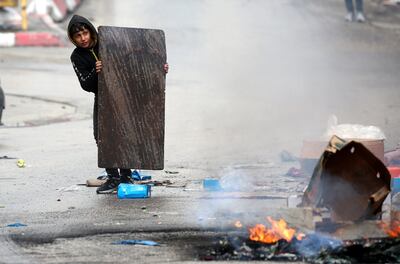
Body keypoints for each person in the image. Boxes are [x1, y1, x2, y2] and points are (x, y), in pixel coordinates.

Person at [67, 15, 168, 194]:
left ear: (90, 31)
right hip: (103, 98)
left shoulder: (108, 42)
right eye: (78, 36)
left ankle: (126, 175)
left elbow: (136, 60)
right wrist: (95, 72)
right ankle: (113, 177)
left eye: (85, 33)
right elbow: (86, 85)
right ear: (73, 38)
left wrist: (158, 67)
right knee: (102, 135)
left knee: (125, 133)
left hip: (124, 96)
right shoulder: (77, 56)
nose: (83, 38)